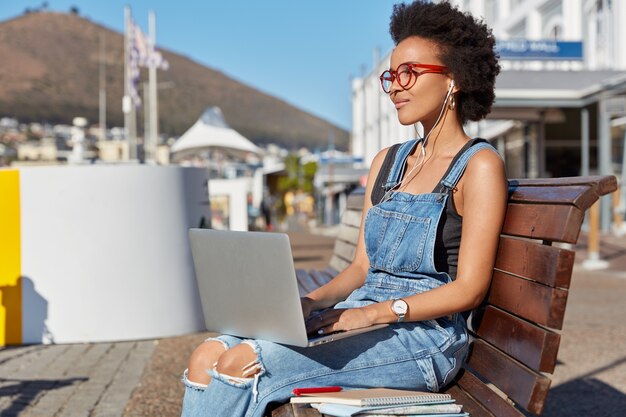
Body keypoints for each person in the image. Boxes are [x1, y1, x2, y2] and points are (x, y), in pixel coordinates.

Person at [180, 2, 507, 416]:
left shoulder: (478, 165)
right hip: (361, 313)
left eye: (410, 73)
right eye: (391, 76)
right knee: (208, 354)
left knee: (244, 363)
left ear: (454, 80)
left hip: (425, 339)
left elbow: (470, 289)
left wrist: (373, 314)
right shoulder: (386, 163)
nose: (395, 87)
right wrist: (310, 304)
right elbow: (359, 269)